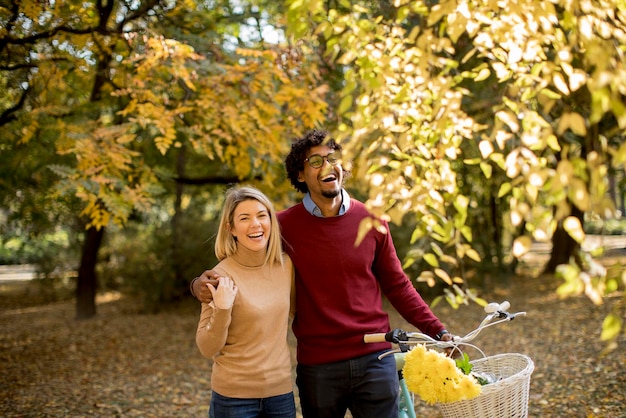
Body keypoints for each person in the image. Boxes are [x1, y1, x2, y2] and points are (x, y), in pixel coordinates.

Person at [191, 130, 454, 418]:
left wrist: (437, 330)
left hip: (375, 357)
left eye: (333, 158)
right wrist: (198, 285)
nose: (328, 166)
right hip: (319, 366)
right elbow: (243, 261)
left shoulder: (373, 221)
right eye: (315, 161)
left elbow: (398, 285)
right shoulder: (282, 227)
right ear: (301, 175)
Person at [194, 185, 296, 418]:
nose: (256, 224)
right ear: (231, 228)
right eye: (244, 218)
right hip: (233, 399)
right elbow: (207, 347)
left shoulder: (286, 266)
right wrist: (222, 308)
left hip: (280, 394)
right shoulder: (221, 276)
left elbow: (302, 312)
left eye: (262, 215)